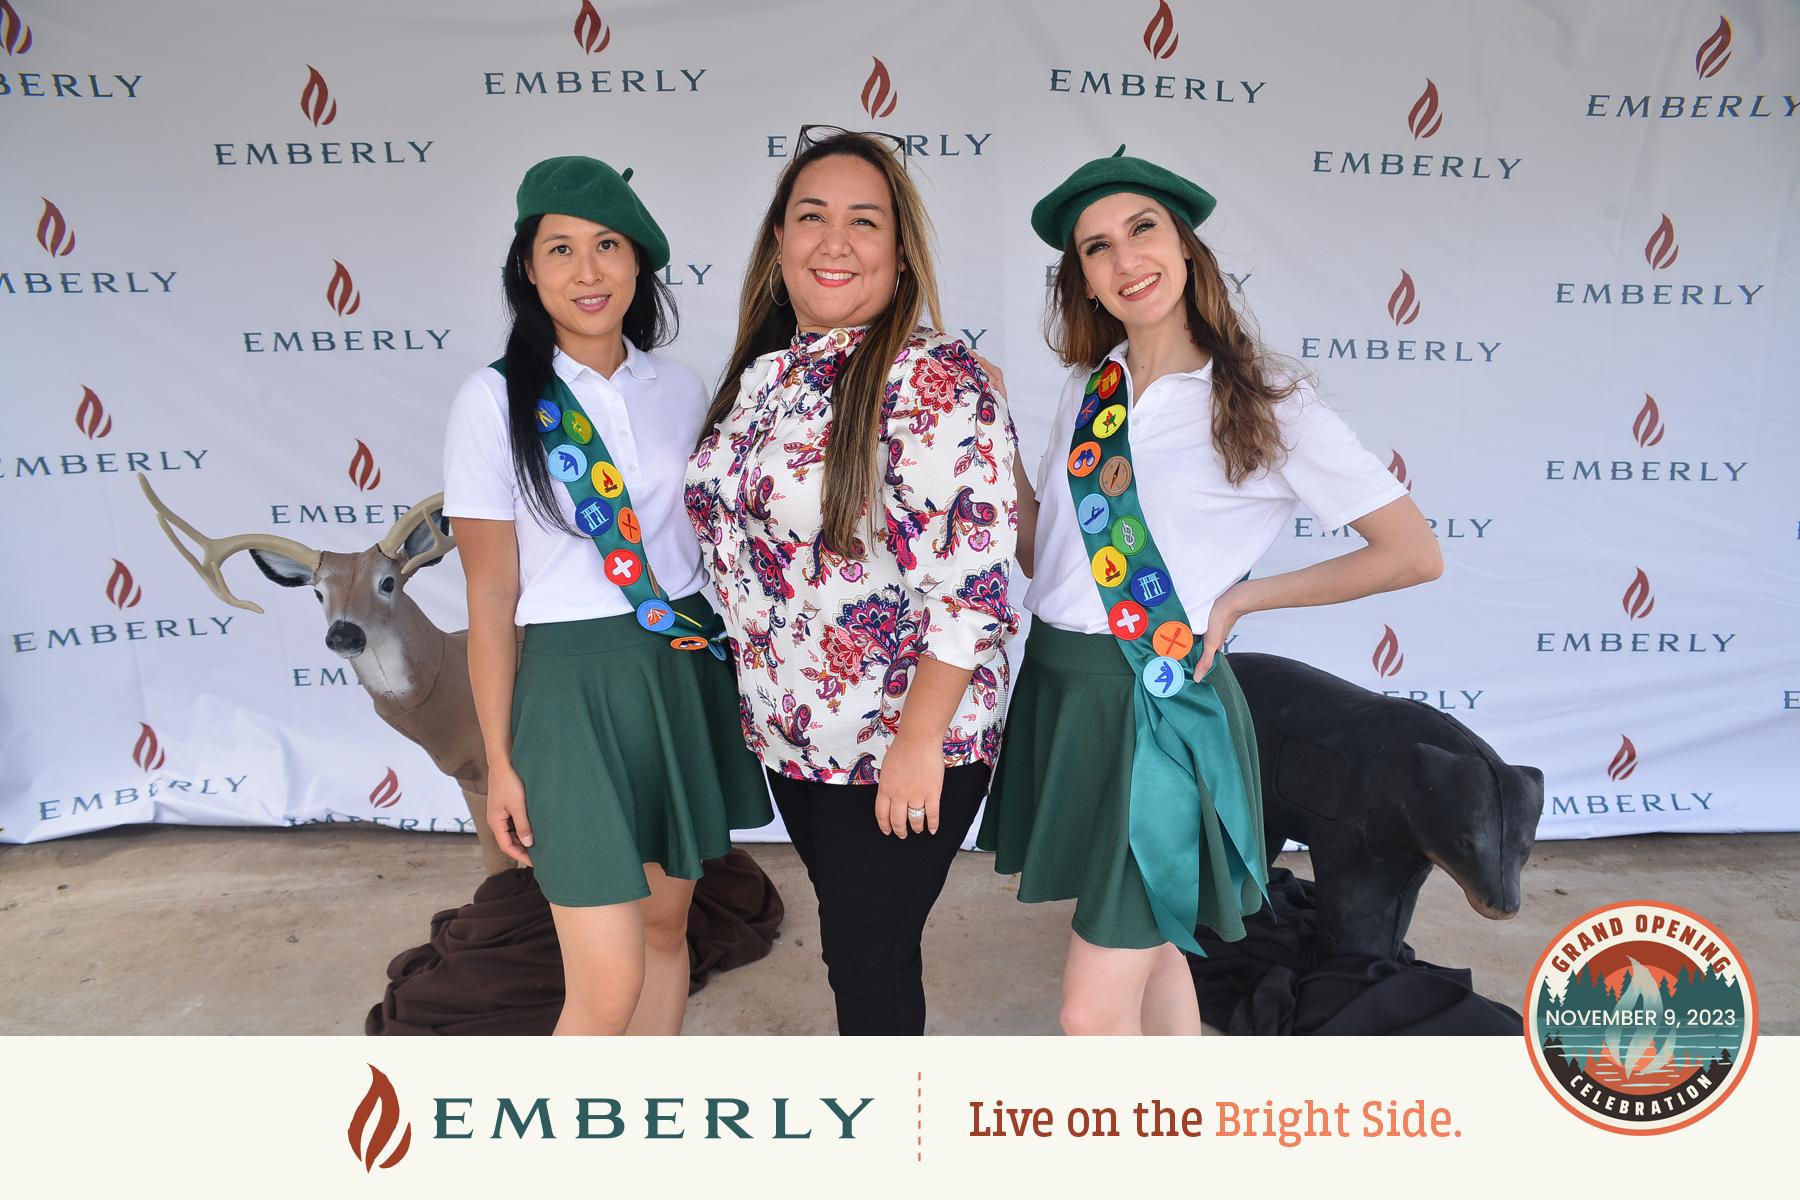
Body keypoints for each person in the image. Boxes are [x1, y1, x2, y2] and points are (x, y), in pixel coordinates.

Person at [979, 147, 1444, 1035]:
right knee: (1156, 953)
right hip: (1063, 690)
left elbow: (1411, 552)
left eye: (1142, 230)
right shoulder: (1092, 385)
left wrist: (1238, 603)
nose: (1125, 261)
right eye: (1096, 248)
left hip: (1157, 709)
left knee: (1089, 1015)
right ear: (1081, 278)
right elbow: (1048, 557)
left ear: (1186, 247)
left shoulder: (1267, 396)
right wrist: (991, 440)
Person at [686, 128, 1018, 1035]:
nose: (835, 242)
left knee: (867, 966)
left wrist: (915, 746)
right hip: (793, 737)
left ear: (900, 253)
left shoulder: (932, 380)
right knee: (861, 951)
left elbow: (975, 585)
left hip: (902, 744)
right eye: (811, 217)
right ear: (779, 242)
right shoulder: (762, 376)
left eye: (863, 221)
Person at [442, 156, 770, 1035]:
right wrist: (501, 761)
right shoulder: (494, 400)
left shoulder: (682, 388)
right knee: (606, 981)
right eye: (559, 250)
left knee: (669, 933)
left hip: (675, 673)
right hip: (567, 694)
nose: (586, 273)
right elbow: (489, 598)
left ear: (638, 264)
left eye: (607, 246)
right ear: (528, 269)